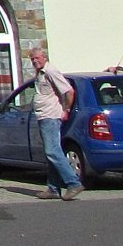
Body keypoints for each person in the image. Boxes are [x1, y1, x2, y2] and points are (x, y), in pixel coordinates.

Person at [27, 45, 82, 200]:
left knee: (53, 151)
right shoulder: (40, 74)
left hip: (51, 116)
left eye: (37, 58)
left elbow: (69, 91)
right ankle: (53, 188)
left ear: (45, 57)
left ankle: (73, 183)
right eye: (32, 59)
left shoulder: (51, 71)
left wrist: (66, 110)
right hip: (43, 116)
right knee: (50, 153)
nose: (35, 61)